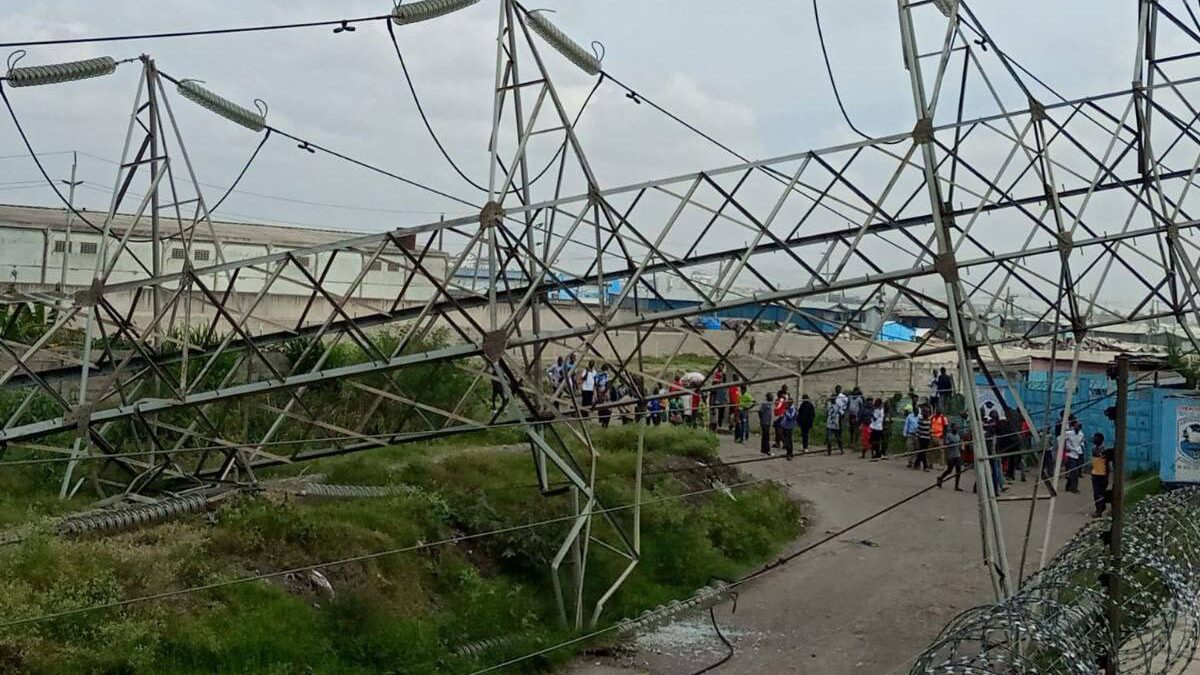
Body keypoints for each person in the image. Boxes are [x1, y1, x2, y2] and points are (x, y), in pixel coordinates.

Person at [1090, 432, 1113, 517]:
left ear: (1100, 440)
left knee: (1101, 492)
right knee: (1096, 493)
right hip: (1095, 473)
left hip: (1103, 474)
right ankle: (1099, 508)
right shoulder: (1094, 449)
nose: (1094, 440)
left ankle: (1101, 508)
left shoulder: (1105, 450)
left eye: (1095, 438)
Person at [938, 423, 965, 490]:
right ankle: (940, 478)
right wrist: (951, 444)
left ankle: (956, 486)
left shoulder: (958, 436)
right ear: (952, 428)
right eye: (955, 427)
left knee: (958, 471)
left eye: (957, 427)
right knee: (949, 470)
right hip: (951, 455)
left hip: (957, 455)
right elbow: (946, 444)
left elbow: (960, 444)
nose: (956, 429)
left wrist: (961, 447)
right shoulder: (949, 435)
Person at [1063, 418, 1085, 494]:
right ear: (1073, 426)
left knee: (1074, 471)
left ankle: (1068, 486)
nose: (1078, 427)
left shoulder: (1081, 434)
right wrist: (1066, 447)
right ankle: (1074, 487)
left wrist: (1080, 450)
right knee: (1074, 472)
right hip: (1070, 455)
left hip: (1077, 454)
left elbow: (1081, 443)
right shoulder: (1069, 433)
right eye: (1077, 425)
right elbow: (1060, 439)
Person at [914, 405, 932, 471]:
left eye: (928, 412)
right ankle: (925, 466)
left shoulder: (930, 420)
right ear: (923, 412)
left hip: (927, 438)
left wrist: (930, 433)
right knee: (923, 452)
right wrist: (917, 436)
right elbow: (919, 430)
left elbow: (930, 429)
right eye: (926, 412)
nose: (927, 413)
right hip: (922, 438)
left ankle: (916, 463)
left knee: (922, 452)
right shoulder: (921, 420)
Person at [712, 365, 727, 430]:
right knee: (715, 409)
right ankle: (715, 424)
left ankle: (720, 423)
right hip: (716, 392)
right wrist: (718, 381)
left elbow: (724, 381)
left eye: (722, 366)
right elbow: (714, 381)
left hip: (721, 393)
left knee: (721, 410)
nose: (720, 367)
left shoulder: (723, 374)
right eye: (720, 366)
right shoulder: (716, 373)